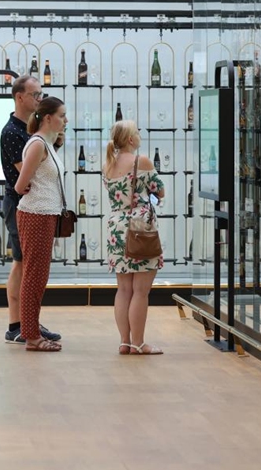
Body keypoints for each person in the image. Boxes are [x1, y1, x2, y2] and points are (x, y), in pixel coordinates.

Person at [0, 76, 61, 344]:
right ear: (19, 97)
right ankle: (18, 325)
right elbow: (24, 181)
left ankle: (29, 323)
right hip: (23, 205)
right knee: (24, 264)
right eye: (35, 94)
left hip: (38, 207)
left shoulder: (33, 131)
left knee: (30, 266)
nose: (39, 98)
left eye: (41, 94)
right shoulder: (13, 132)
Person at [102, 120, 165, 355]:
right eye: (137, 133)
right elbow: (160, 191)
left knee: (123, 289)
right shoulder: (142, 162)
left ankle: (124, 341)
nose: (139, 136)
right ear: (130, 139)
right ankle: (139, 343)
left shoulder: (108, 164)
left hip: (116, 227)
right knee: (141, 291)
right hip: (140, 228)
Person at [13, 96, 68, 352]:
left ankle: (32, 331)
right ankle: (31, 335)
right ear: (48, 118)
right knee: (34, 276)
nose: (65, 120)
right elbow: (19, 184)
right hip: (35, 214)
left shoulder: (46, 143)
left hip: (46, 214)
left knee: (38, 276)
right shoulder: (37, 144)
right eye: (61, 115)